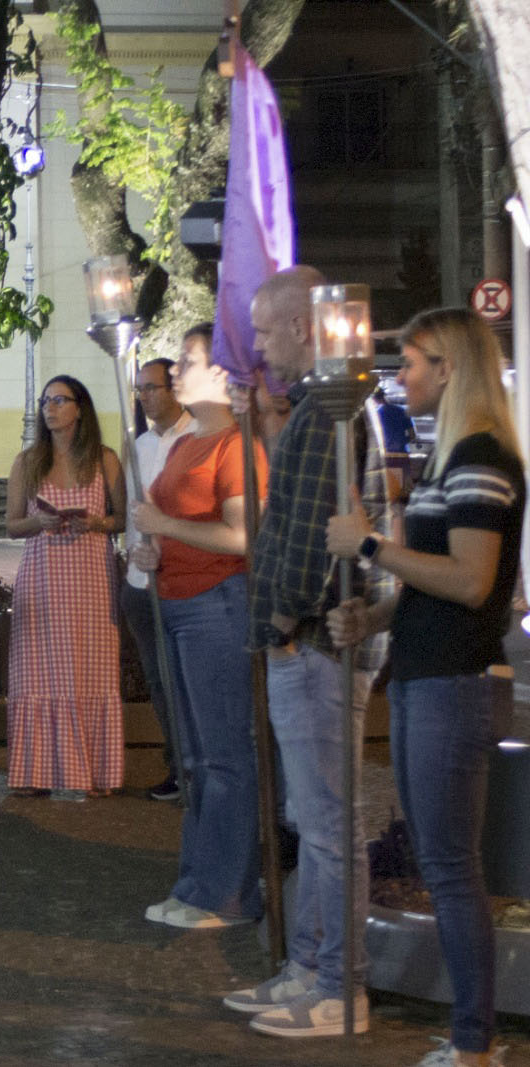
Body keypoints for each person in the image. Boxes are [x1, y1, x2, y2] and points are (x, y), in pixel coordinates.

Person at [325, 308, 521, 1067]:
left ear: (450, 367)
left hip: (455, 682)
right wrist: (375, 609)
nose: (399, 378)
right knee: (445, 864)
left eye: (410, 363)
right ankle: (470, 1034)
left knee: (449, 867)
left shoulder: (481, 455)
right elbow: (432, 586)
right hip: (425, 675)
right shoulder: (450, 456)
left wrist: (372, 544)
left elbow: (472, 581)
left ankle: (474, 1040)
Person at [226, 265, 392, 1038]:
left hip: (318, 646)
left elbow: (311, 536)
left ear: (301, 326)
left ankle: (339, 984)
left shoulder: (335, 411)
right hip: (306, 644)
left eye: (264, 329)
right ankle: (308, 965)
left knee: (328, 823)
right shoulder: (314, 411)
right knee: (313, 817)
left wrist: (285, 618)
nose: (256, 345)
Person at [130, 324, 267, 930]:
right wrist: (153, 548)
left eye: (189, 360)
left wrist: (166, 525)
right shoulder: (187, 444)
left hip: (217, 604)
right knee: (193, 757)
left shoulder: (236, 447)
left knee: (223, 756)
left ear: (224, 374)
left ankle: (227, 895)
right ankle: (196, 884)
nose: (177, 370)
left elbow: (243, 537)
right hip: (177, 602)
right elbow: (171, 525)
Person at [4, 374, 127, 798]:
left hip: (91, 575)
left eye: (60, 400)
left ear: (80, 407)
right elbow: (12, 525)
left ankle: (91, 771)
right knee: (40, 672)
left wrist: (95, 522)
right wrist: (39, 522)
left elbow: (123, 520)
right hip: (42, 577)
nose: (50, 408)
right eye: (45, 401)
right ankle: (36, 771)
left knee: (89, 669)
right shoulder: (29, 461)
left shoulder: (105, 459)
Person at [120, 356, 192, 801]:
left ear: (174, 389)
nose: (144, 397)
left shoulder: (195, 440)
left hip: (182, 581)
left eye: (152, 387)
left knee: (187, 678)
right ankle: (178, 765)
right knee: (159, 681)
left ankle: (199, 766)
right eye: (140, 389)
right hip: (139, 583)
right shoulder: (140, 446)